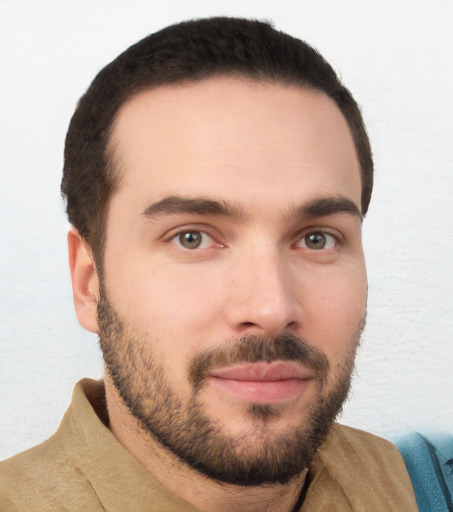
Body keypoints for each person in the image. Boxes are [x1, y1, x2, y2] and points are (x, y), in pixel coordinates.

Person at [1, 16, 419, 511]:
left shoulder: (447, 488)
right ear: (89, 283)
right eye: (193, 238)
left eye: (316, 238)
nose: (270, 306)